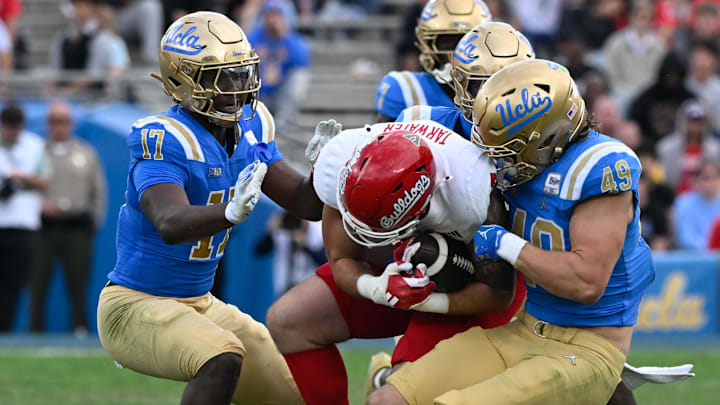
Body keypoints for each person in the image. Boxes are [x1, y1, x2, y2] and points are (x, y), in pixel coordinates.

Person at [370, 59, 655, 405]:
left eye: (510, 147)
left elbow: (586, 282)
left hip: (587, 348)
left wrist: (507, 244)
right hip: (523, 329)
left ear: (548, 138)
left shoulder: (597, 169)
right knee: (389, 399)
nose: (498, 159)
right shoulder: (530, 165)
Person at [96, 12, 324, 405]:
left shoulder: (251, 126)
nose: (237, 88)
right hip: (135, 305)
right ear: (182, 81)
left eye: (240, 74)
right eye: (220, 77)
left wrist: (327, 168)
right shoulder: (164, 137)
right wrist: (228, 214)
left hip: (199, 303)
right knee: (221, 356)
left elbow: (307, 205)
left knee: (289, 395)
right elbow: (169, 221)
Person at [267, 120, 524, 405]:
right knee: (289, 321)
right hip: (397, 268)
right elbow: (343, 258)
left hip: (470, 286)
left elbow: (498, 293)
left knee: (399, 392)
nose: (369, 237)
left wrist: (426, 302)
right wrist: (374, 286)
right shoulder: (341, 162)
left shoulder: (474, 198)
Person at [29, 101, 107, 335]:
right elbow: (27, 189)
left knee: (78, 282)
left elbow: (99, 190)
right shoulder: (37, 152)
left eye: (62, 120)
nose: (58, 126)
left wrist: (94, 223)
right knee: (38, 282)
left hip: (77, 228)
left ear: (71, 123)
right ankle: (35, 332)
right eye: (54, 121)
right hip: (44, 228)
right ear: (47, 124)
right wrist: (39, 207)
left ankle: (79, 328)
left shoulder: (85, 152)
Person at [395, 21, 535, 139]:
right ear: (459, 82)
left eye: (508, 87)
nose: (495, 99)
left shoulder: (541, 135)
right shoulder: (420, 122)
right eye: (483, 84)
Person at [374, 0, 491, 122]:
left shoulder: (497, 92)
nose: (457, 52)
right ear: (428, 43)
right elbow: (378, 139)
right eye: (447, 42)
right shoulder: (407, 88)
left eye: (468, 44)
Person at [0, 104, 51, 331]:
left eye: (14, 128)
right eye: (7, 128)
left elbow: (46, 181)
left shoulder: (35, 146)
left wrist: (23, 178)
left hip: (23, 225)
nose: (11, 133)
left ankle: (6, 331)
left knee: (14, 281)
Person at [248, 0, 311, 134]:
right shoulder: (253, 37)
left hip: (280, 94)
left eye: (277, 15)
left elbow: (303, 61)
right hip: (257, 94)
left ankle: (283, 127)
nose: (273, 20)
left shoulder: (292, 39)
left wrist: (285, 35)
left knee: (300, 77)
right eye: (270, 15)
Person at [602, 0, 667, 106]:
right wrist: (624, 91)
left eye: (647, 18)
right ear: (631, 18)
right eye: (640, 17)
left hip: (649, 95)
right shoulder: (615, 42)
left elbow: (660, 76)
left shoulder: (659, 46)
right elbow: (610, 73)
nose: (643, 22)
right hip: (622, 93)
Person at [254, 212, 325, 296]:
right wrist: (270, 232)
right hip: (284, 290)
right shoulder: (283, 232)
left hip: (310, 291)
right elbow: (259, 251)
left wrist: (305, 247)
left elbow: (324, 262)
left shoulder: (320, 232)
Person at [656, 100, 720, 193]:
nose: (694, 126)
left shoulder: (715, 149)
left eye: (698, 121)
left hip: (705, 197)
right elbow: (663, 177)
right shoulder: (666, 147)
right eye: (691, 121)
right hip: (674, 196)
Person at [673, 159, 720, 250]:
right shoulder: (683, 203)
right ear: (696, 181)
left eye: (715, 178)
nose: (712, 183)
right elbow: (686, 239)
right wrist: (714, 247)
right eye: (706, 178)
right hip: (694, 259)